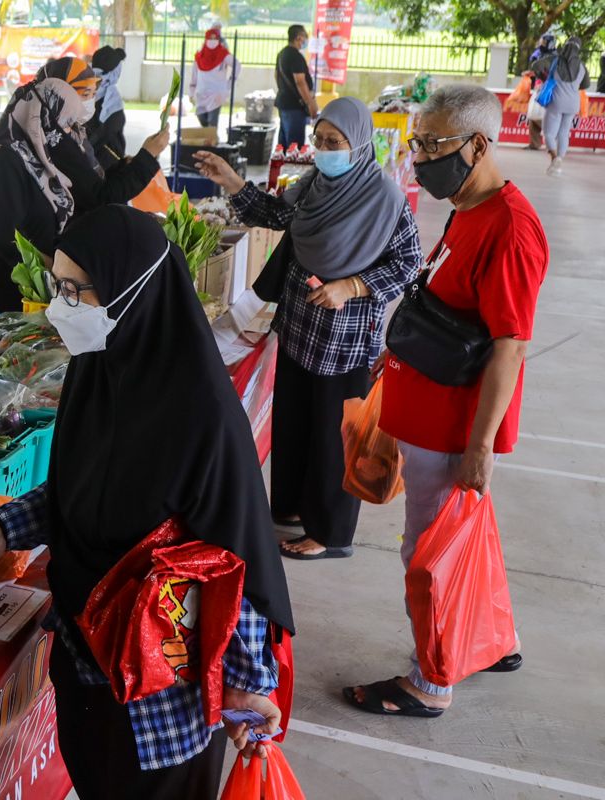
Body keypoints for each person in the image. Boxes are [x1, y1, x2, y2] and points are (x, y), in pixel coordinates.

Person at [0, 204, 294, 799]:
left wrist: (243, 682)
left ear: (129, 287)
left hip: (160, 701)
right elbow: (79, 485)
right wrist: (3, 529)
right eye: (56, 287)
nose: (60, 306)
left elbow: (230, 553)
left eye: (73, 290)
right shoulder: (97, 372)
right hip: (85, 664)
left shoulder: (201, 417)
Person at [344, 84, 547, 718]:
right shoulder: (468, 206)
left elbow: (509, 347)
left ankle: (429, 683)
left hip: (452, 426)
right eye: (416, 144)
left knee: (429, 553)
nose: (421, 157)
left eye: (433, 145)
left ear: (480, 144)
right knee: (467, 540)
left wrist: (479, 447)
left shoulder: (510, 229)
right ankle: (492, 642)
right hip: (425, 404)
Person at [195, 98, 422, 561]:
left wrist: (354, 285)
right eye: (319, 141)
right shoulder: (314, 184)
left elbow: (409, 265)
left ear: (357, 144)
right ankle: (295, 509)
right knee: (296, 425)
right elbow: (279, 217)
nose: (323, 150)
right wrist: (233, 183)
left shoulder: (386, 200)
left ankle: (330, 533)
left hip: (344, 339)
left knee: (332, 438)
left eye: (333, 142)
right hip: (299, 328)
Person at [0, 73, 168, 324]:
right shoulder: (2, 161)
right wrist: (61, 272)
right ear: (44, 119)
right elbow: (6, 240)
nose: (70, 132)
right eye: (67, 122)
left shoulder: (41, 162)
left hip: (21, 305)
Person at [534, 36, 590, 176]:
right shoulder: (582, 66)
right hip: (573, 103)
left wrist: (545, 77)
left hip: (556, 102)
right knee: (564, 133)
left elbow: (536, 66)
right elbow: (586, 84)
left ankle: (554, 159)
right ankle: (560, 159)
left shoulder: (555, 59)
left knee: (549, 133)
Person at [274, 25, 317, 148]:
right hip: (295, 107)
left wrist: (284, 90)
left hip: (284, 102)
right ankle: (291, 167)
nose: (306, 41)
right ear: (299, 38)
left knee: (283, 142)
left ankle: (282, 165)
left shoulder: (282, 54)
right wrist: (310, 103)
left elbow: (276, 75)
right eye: (305, 37)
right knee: (294, 145)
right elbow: (300, 82)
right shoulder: (296, 56)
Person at [190, 25, 241, 129]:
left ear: (219, 39)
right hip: (202, 93)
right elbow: (194, 75)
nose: (212, 41)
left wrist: (230, 82)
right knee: (201, 117)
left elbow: (237, 65)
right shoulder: (199, 56)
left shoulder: (223, 54)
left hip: (216, 94)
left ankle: (211, 142)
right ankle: (208, 139)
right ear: (206, 39)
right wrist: (191, 91)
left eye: (215, 38)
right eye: (210, 38)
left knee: (212, 122)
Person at [86, 45, 127, 168]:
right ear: (115, 71)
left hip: (86, 163)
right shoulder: (112, 101)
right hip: (105, 166)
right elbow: (108, 133)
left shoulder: (83, 90)